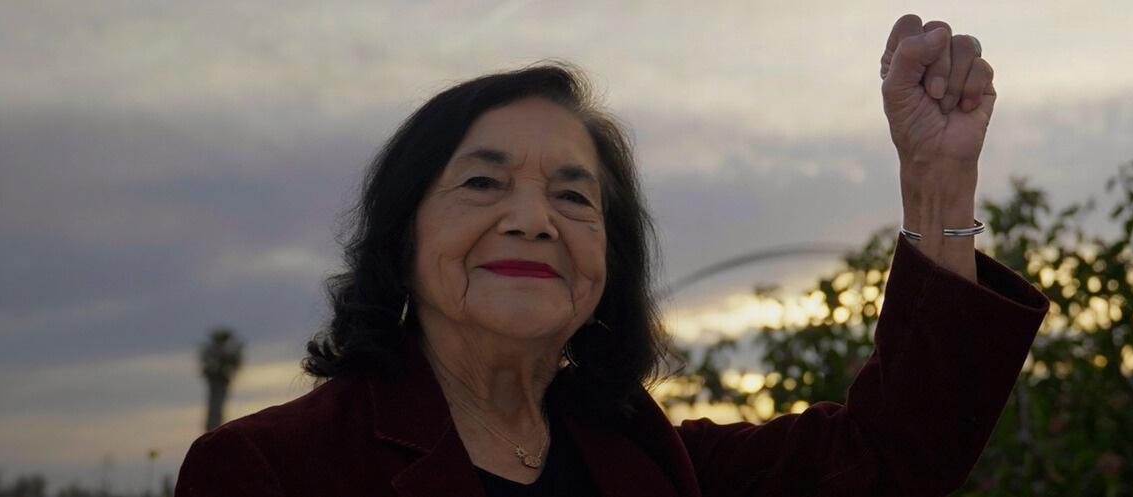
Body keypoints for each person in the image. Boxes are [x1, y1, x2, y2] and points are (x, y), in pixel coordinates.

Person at [175, 14, 1050, 496]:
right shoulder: (269, 472)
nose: (533, 219)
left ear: (606, 260)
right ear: (402, 240)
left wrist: (938, 182)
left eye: (572, 194)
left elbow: (896, 456)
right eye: (482, 184)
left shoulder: (654, 460)